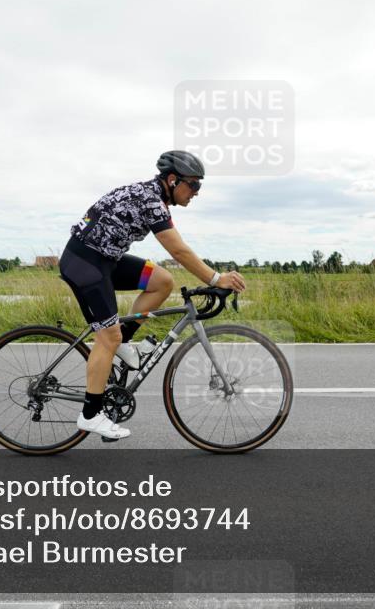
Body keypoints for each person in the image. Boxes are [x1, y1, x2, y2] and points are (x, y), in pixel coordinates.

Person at [59, 150, 246, 440]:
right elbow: (178, 250)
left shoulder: (153, 197)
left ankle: (121, 343)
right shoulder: (151, 202)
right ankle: (91, 414)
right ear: (172, 180)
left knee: (162, 280)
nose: (196, 192)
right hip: (86, 264)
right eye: (194, 184)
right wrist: (215, 278)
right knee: (107, 338)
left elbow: (175, 254)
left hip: (105, 261)